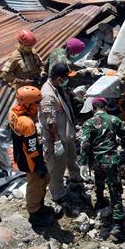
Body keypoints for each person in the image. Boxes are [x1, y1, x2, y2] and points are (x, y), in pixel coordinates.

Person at [79, 97, 125, 241]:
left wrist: (83, 163)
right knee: (115, 189)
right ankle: (118, 225)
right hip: (111, 160)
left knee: (99, 180)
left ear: (93, 109)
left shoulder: (88, 123)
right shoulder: (115, 120)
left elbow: (85, 144)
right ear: (105, 107)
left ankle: (100, 201)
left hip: (97, 160)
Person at [9, 86, 54, 228]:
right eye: (36, 103)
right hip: (30, 160)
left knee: (45, 179)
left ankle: (40, 206)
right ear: (28, 104)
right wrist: (39, 165)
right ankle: (34, 213)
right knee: (35, 184)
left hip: (21, 154)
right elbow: (32, 148)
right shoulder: (27, 123)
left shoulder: (13, 112)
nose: (38, 106)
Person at [39, 63, 83, 207]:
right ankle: (58, 193)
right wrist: (56, 141)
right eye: (65, 78)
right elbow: (50, 122)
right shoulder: (47, 95)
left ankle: (75, 178)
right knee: (57, 167)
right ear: (58, 78)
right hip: (55, 137)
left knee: (72, 157)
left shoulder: (57, 87)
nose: (66, 80)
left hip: (66, 133)